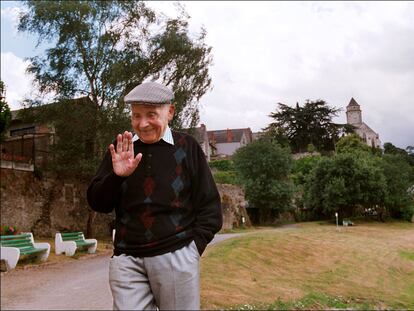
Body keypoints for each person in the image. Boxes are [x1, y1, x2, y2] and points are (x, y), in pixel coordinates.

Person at [87, 81, 222, 310]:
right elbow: (97, 202)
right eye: (136, 115)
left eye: (151, 114)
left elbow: (210, 207)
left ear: (169, 112)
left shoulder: (187, 147)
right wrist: (117, 177)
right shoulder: (122, 147)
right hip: (127, 260)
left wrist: (192, 250)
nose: (143, 123)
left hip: (177, 255)